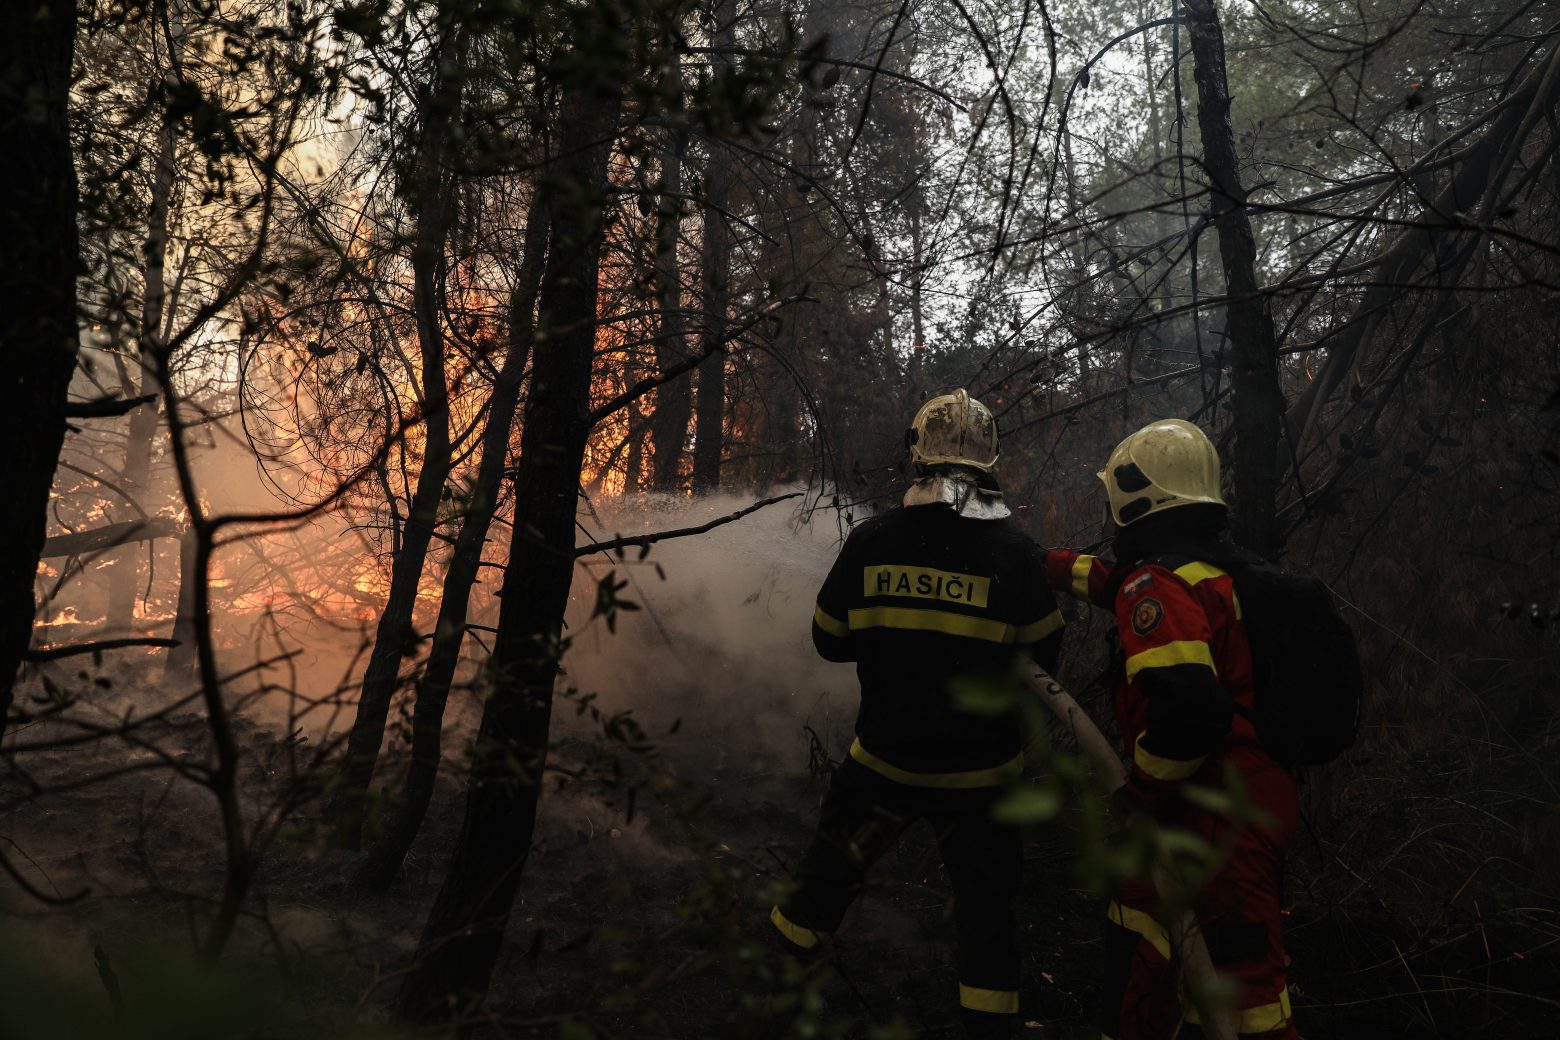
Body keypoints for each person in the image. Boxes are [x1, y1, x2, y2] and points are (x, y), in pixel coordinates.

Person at [770, 390, 1065, 1040]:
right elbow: (1043, 662)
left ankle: (774, 995)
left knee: (824, 883)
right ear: (989, 462)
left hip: (883, 767)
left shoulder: (873, 540)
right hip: (981, 783)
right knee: (987, 918)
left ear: (916, 457)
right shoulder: (1015, 554)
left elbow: (828, 640)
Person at [1043, 418, 1300, 1040]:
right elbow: (1116, 587)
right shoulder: (1214, 570)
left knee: (1245, 999)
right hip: (1243, 803)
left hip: (1207, 818)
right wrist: (1041, 562)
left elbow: (1193, 711)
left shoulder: (1154, 583)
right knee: (1145, 936)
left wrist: (1141, 790)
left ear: (1135, 497)